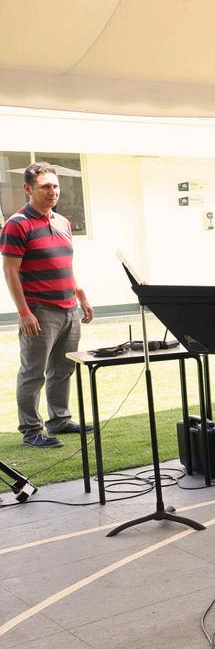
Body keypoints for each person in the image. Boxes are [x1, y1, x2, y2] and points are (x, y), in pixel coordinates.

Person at [2, 162, 94, 448]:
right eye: (45, 187)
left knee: (63, 368)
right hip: (39, 311)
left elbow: (65, 263)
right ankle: (31, 430)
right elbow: (10, 271)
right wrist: (24, 312)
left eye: (55, 186)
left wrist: (80, 294)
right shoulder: (17, 224)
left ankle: (59, 420)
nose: (52, 191)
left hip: (69, 308)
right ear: (28, 189)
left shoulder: (62, 222)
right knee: (33, 373)